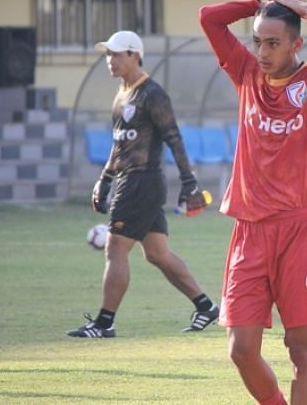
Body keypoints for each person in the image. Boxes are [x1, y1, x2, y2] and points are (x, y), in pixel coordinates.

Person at [199, 0, 307, 405]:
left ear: (296, 44)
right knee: (241, 348)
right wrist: (256, 4)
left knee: (301, 350)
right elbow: (209, 17)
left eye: (273, 42)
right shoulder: (246, 73)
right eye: (257, 41)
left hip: (300, 232)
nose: (263, 51)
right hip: (249, 231)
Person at [66, 30, 219, 338]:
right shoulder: (121, 95)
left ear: (135, 55)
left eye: (116, 54)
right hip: (128, 180)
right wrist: (103, 180)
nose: (110, 60)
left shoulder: (152, 94)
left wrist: (189, 184)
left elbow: (174, 138)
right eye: (108, 54)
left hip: (141, 182)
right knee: (157, 254)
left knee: (115, 249)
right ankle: (206, 307)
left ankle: (104, 322)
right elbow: (119, 146)